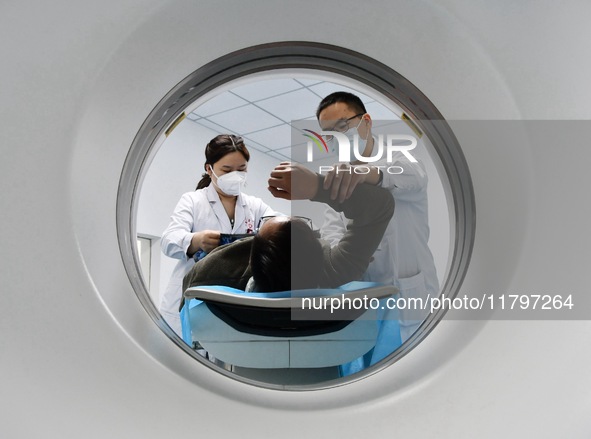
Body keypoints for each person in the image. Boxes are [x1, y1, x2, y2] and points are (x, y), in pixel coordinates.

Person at [316, 91, 439, 341]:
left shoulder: (399, 157)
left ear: (366, 122)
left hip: (411, 294)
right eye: (330, 135)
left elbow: (414, 178)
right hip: (366, 296)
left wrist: (365, 173)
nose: (338, 138)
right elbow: (331, 232)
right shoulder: (337, 181)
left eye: (343, 126)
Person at [182, 162, 395, 293]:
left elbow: (190, 281)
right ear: (317, 245)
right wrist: (316, 186)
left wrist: (194, 242)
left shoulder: (218, 269)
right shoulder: (336, 268)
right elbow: (380, 205)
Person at [160, 134, 275, 334]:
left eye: (242, 169)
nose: (235, 175)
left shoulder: (255, 206)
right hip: (193, 294)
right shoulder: (193, 201)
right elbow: (168, 240)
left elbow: (280, 226)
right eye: (227, 170)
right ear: (209, 169)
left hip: (234, 296)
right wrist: (195, 240)